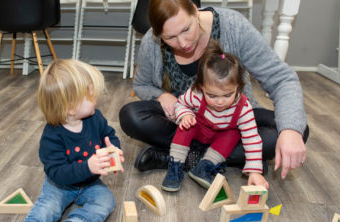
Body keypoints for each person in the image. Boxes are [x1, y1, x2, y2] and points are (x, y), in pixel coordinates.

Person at [119, 0, 309, 179]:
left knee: (292, 128)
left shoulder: (233, 26)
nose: (183, 43)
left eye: (186, 29)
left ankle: (179, 157)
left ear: (195, 10)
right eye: (170, 37)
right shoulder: (150, 42)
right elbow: (141, 85)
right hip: (186, 124)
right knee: (131, 115)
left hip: (234, 123)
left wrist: (291, 130)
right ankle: (231, 158)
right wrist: (162, 95)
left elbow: (281, 78)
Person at [161, 40, 268, 192]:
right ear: (201, 87)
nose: (219, 101)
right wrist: (185, 115)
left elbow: (252, 139)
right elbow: (180, 104)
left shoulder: (244, 108)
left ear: (239, 87)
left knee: (234, 133)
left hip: (221, 137)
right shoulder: (196, 94)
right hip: (199, 130)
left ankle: (204, 166)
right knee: (186, 126)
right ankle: (175, 166)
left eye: (227, 95)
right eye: (212, 95)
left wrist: (255, 171)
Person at [25, 59, 124, 222]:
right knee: (46, 209)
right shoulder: (52, 136)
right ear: (70, 107)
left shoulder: (96, 118)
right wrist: (88, 167)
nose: (96, 98)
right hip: (59, 185)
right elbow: (56, 172)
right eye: (91, 96)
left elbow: (109, 135)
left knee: (106, 202)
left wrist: (113, 149)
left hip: (90, 184)